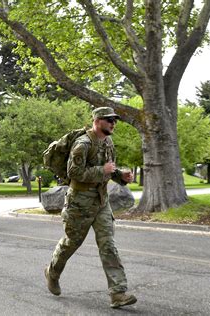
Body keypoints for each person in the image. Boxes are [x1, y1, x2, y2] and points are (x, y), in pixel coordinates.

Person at [44, 107, 137, 309]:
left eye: (115, 120)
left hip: (101, 201)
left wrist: (120, 176)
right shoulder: (83, 144)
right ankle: (52, 272)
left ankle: (118, 293)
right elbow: (73, 172)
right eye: (109, 120)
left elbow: (109, 169)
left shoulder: (109, 142)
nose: (113, 123)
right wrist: (101, 170)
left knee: (108, 245)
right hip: (79, 202)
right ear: (97, 121)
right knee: (71, 243)